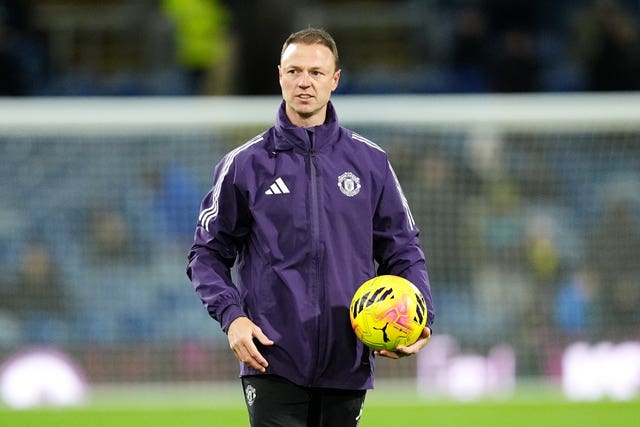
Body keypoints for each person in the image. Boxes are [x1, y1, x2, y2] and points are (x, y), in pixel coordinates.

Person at [187, 28, 434, 427]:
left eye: (317, 73)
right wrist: (232, 317)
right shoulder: (245, 165)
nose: (305, 82)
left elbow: (403, 250)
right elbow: (207, 254)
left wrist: (422, 317)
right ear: (280, 76)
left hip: (348, 358)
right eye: (295, 71)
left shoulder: (370, 163)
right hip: (271, 358)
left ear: (335, 80)